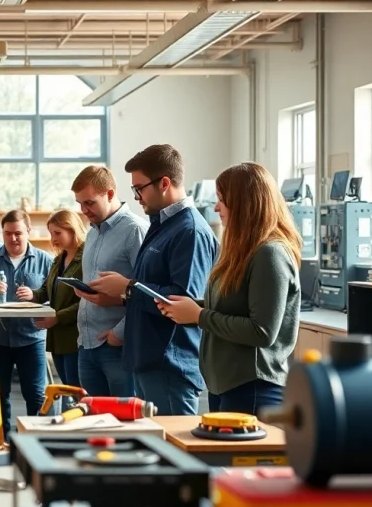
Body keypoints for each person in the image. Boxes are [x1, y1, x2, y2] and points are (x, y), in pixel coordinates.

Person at [157, 163, 301, 415]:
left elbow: (262, 331)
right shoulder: (242, 253)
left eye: (222, 200)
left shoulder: (271, 254)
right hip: (225, 386)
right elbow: (231, 307)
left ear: (246, 204)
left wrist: (199, 316)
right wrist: (189, 309)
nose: (215, 208)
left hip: (252, 388)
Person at [89, 144, 218, 416]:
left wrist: (127, 287)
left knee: (175, 452)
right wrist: (126, 289)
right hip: (148, 359)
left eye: (139, 188)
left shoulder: (190, 231)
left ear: (164, 183)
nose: (136, 197)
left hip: (169, 363)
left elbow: (183, 301)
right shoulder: (162, 224)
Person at [0, 209, 53, 431]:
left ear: (28, 231)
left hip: (31, 338)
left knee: (35, 394)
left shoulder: (45, 261)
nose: (13, 238)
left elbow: (57, 295)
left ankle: (37, 440)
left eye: (18, 233)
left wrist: (36, 296)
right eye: (7, 233)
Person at [68, 165, 148, 398]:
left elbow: (146, 291)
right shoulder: (92, 232)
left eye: (89, 203)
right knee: (94, 422)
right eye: (79, 203)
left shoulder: (135, 230)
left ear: (110, 194)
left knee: (124, 423)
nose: (83, 210)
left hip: (117, 346)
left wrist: (119, 334)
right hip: (86, 343)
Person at [17, 209, 86, 400]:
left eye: (57, 233)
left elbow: (87, 302)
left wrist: (57, 317)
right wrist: (32, 294)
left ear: (72, 230)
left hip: (76, 337)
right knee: (69, 390)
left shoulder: (87, 258)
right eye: (51, 233)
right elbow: (45, 292)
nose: (53, 239)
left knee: (78, 391)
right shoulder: (58, 260)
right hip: (58, 339)